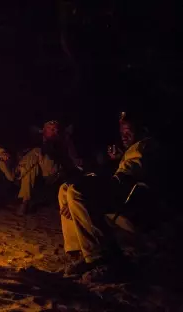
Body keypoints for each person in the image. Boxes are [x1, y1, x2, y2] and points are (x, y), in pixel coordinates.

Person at [58, 112, 158, 281]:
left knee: (76, 191)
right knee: (65, 189)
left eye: (129, 132)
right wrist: (116, 160)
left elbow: (124, 179)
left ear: (142, 131)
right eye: (122, 133)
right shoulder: (132, 149)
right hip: (122, 198)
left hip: (133, 208)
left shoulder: (143, 147)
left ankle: (99, 258)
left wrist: (93, 184)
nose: (124, 136)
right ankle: (81, 253)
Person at [15, 120, 81, 215]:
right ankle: (25, 202)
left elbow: (73, 159)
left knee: (36, 152)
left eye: (55, 129)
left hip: (54, 172)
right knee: (31, 169)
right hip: (38, 171)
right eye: (50, 129)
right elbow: (22, 152)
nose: (53, 131)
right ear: (44, 129)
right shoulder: (36, 140)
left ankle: (18, 172)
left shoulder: (62, 142)